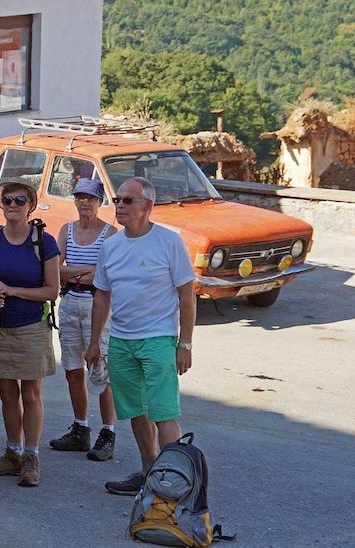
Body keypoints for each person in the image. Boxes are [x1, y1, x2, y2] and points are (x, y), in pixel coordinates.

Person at [84, 177, 197, 495]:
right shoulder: (111, 245)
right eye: (117, 200)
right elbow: (102, 296)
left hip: (159, 340)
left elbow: (187, 296)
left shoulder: (168, 242)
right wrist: (95, 343)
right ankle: (150, 475)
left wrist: (184, 343)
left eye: (127, 200)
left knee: (164, 412)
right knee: (135, 411)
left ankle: (173, 480)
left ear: (148, 205)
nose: (119, 206)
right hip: (120, 341)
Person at [0, 180, 60, 487]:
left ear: (30, 206)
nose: (12, 204)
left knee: (31, 393)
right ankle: (12, 453)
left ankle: (31, 456)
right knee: (7, 393)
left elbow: (52, 290)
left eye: (19, 200)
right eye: (7, 200)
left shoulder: (44, 242)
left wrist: (12, 291)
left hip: (30, 328)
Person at [49, 178, 119, 461]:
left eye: (90, 198)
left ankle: (108, 432)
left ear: (100, 201)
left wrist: (72, 271)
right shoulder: (67, 230)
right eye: (79, 197)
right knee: (72, 368)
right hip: (70, 300)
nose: (84, 202)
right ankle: (81, 428)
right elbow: (55, 268)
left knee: (101, 368)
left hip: (96, 303)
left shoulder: (111, 233)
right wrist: (85, 270)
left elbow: (107, 274)